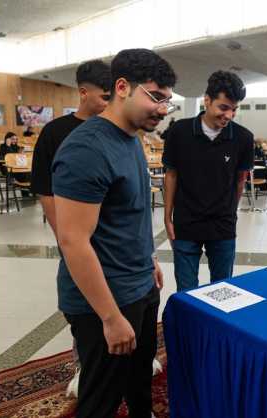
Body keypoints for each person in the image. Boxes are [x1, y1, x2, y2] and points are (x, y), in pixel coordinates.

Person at [52, 48, 175, 418]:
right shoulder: (86, 149)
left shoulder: (132, 138)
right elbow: (73, 240)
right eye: (155, 97)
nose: (161, 109)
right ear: (122, 87)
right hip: (103, 300)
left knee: (139, 378)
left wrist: (148, 258)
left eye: (167, 101)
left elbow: (129, 213)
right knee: (101, 397)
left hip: (138, 285)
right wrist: (109, 318)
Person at [30, 59, 111, 398]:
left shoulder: (115, 130)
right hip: (77, 237)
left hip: (113, 238)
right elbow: (45, 189)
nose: (110, 103)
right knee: (82, 302)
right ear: (83, 93)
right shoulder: (56, 132)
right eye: (105, 96)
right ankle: (83, 364)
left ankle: (121, 361)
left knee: (116, 299)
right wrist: (65, 235)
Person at [162, 70, 254, 292]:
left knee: (222, 291)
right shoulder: (179, 132)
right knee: (186, 292)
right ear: (207, 100)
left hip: (222, 226)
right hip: (186, 223)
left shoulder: (243, 138)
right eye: (223, 107)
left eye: (234, 109)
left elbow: (240, 181)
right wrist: (167, 217)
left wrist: (230, 213)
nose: (229, 115)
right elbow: (171, 175)